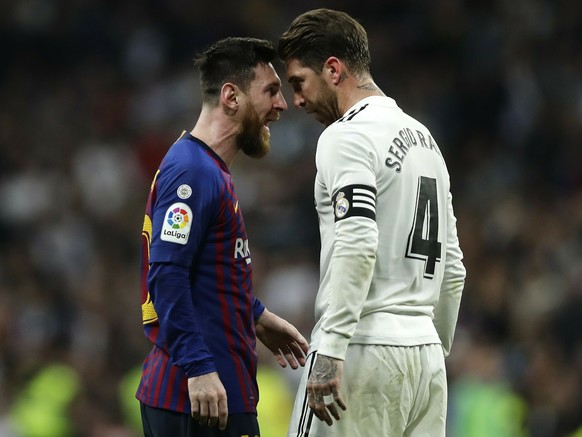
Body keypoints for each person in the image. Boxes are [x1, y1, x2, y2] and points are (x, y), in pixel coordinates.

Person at [277, 9, 466, 436]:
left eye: (299, 83)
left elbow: (358, 239)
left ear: (333, 69)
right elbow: (452, 268)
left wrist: (331, 347)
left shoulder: (346, 136)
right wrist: (433, 349)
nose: (297, 101)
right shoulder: (426, 141)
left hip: (361, 347)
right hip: (426, 359)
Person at [136, 37, 309, 437]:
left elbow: (203, 272)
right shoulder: (193, 172)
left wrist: (256, 316)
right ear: (231, 96)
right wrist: (198, 368)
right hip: (197, 398)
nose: (281, 105)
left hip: (211, 394)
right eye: (270, 91)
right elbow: (167, 274)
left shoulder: (207, 169)